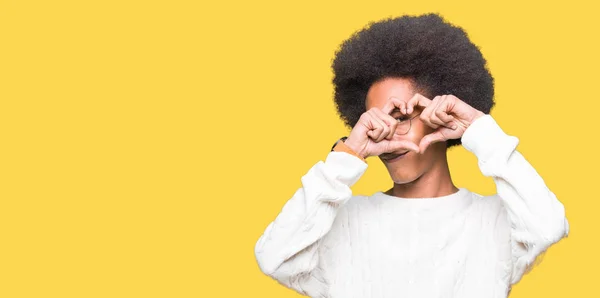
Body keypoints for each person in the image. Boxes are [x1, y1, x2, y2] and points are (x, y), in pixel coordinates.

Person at [254, 13, 569, 298]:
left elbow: (549, 226)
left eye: (400, 116)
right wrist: (348, 153)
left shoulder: (494, 222)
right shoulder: (343, 222)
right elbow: (274, 257)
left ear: (441, 113)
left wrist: (479, 130)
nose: (387, 134)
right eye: (374, 122)